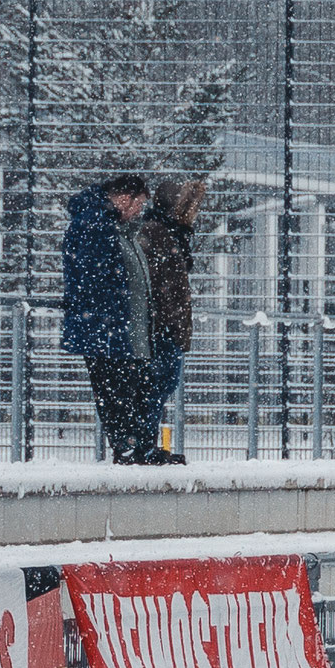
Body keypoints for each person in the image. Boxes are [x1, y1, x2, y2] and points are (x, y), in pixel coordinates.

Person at [62, 172, 162, 466]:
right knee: (114, 390)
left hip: (116, 326)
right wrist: (107, 316)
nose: (139, 211)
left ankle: (134, 445)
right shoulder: (94, 225)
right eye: (138, 204)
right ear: (123, 198)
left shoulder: (112, 227)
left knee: (127, 388)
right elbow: (90, 278)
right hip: (105, 327)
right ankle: (126, 446)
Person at [139, 178, 205, 459]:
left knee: (159, 386)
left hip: (166, 327)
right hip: (163, 328)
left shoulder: (170, 234)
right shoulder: (160, 234)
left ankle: (145, 445)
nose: (194, 213)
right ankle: (144, 446)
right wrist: (166, 322)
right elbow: (159, 285)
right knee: (156, 386)